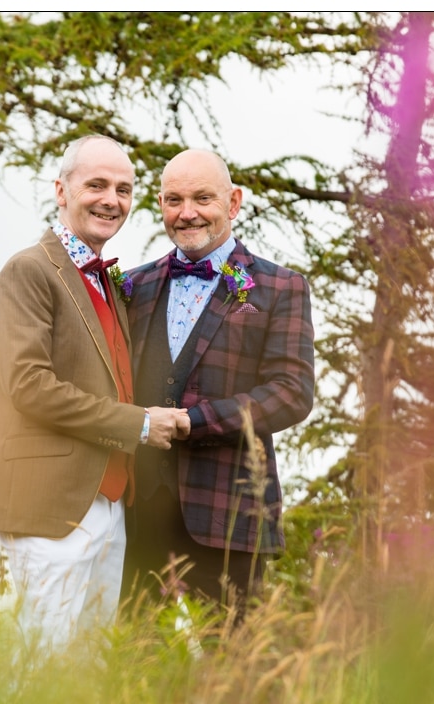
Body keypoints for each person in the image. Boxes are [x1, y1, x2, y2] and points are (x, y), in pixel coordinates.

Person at [0, 134, 189, 651]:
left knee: (88, 674)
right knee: (45, 667)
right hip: (52, 500)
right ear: (61, 191)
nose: (111, 199)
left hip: (111, 505)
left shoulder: (108, 283)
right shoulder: (28, 270)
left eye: (123, 189)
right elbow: (29, 385)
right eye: (96, 185)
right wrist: (138, 424)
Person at [122, 148, 315, 613]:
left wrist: (194, 422)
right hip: (134, 518)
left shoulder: (280, 287)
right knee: (135, 668)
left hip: (231, 516)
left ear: (233, 203)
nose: (186, 213)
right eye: (173, 200)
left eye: (202, 198)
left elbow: (292, 393)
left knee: (233, 673)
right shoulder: (132, 286)